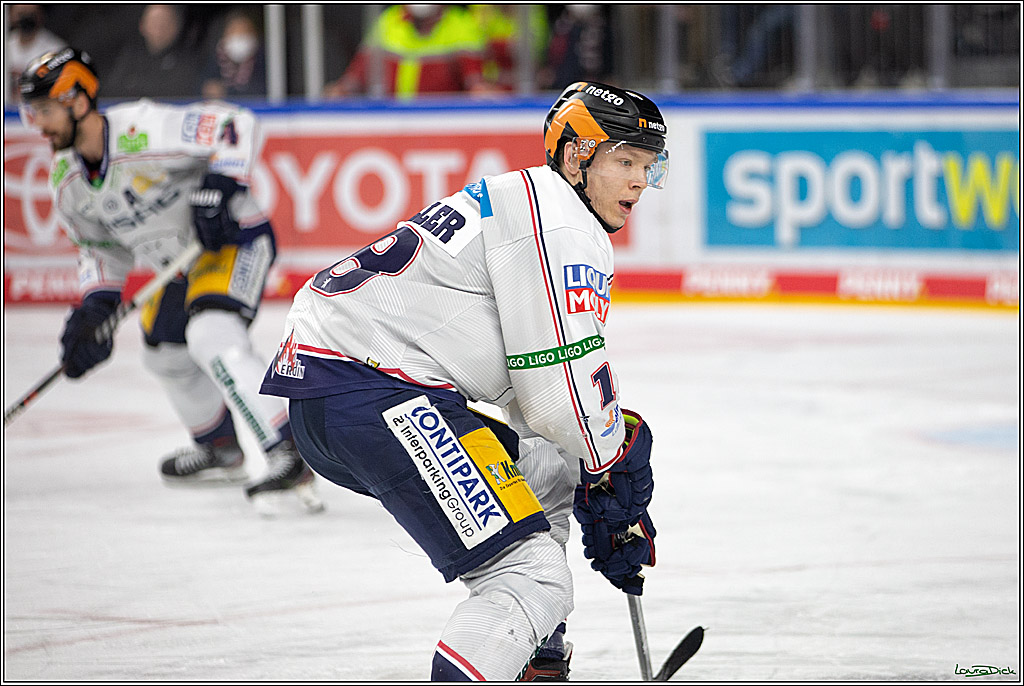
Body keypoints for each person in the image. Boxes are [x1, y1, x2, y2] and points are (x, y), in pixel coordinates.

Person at [260, 80, 668, 680]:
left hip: (341, 396)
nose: (639, 180)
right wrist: (614, 466)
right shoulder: (560, 222)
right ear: (579, 155)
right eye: (626, 160)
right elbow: (558, 397)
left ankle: (535, 656)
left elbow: (538, 403)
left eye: (648, 166)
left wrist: (593, 474)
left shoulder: (522, 200)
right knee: (531, 575)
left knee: (549, 473)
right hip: (374, 394)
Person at [18, 48, 323, 516]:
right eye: (31, 112)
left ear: (78, 101)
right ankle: (219, 447)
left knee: (210, 335)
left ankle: (288, 450)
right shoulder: (66, 181)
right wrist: (93, 308)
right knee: (164, 352)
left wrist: (219, 185)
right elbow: (101, 252)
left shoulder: (143, 128)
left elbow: (235, 126)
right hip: (178, 265)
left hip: (232, 241)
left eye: (44, 110)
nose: (36, 124)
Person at [323, 4, 492, 99]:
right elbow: (358, 75)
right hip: (393, 118)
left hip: (442, 120)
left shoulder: (461, 24)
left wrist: (483, 91)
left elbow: (475, 82)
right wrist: (340, 90)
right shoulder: (390, 20)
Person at [103, 4, 200, 99]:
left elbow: (177, 92)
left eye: (166, 23)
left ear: (177, 26)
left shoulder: (187, 58)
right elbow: (112, 90)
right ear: (142, 26)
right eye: (155, 22)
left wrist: (135, 85)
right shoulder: (131, 54)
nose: (160, 29)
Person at [5, 4, 66, 103]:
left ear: (41, 15)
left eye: (32, 13)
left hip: (40, 112)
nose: (26, 18)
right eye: (21, 13)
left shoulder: (56, 49)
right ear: (10, 14)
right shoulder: (5, 44)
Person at [200, 9, 266, 100]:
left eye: (244, 33)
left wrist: (226, 92)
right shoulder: (214, 60)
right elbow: (201, 87)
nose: (238, 38)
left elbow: (264, 92)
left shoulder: (263, 60)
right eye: (233, 32)